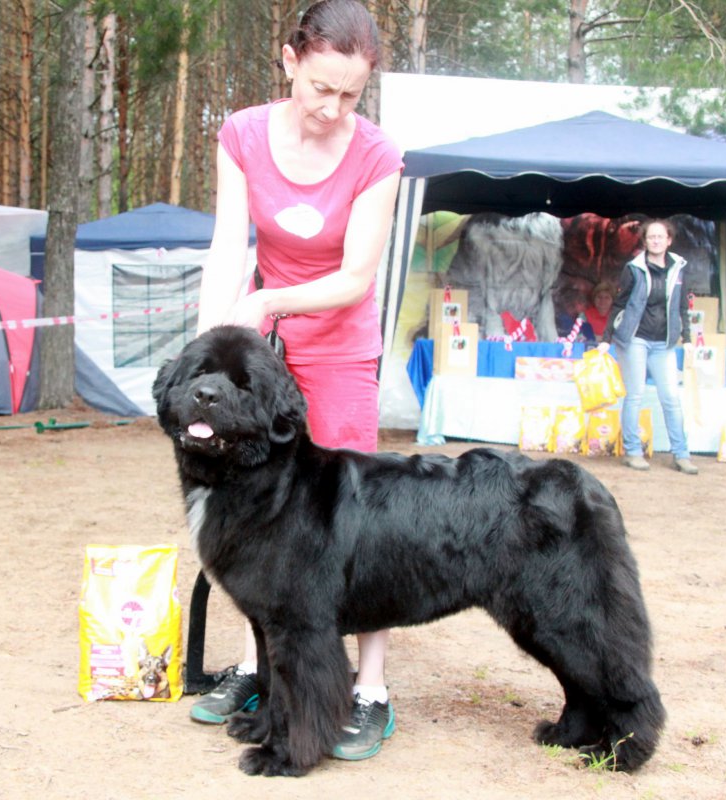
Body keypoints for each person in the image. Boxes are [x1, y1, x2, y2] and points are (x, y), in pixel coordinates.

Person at [188, 0, 404, 762]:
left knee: (354, 519)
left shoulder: (377, 154)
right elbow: (226, 246)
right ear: (289, 61)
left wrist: (271, 299)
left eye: (349, 95)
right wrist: (214, 349)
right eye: (320, 87)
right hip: (263, 351)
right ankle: (260, 670)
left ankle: (370, 687)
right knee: (254, 515)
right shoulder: (243, 133)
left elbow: (355, 277)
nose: (331, 108)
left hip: (340, 346)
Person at [598, 219, 699, 474]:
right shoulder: (633, 268)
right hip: (635, 339)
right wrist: (605, 339)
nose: (655, 241)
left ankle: (682, 454)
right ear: (645, 241)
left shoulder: (678, 269)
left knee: (671, 398)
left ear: (669, 240)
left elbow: (683, 307)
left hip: (663, 342)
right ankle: (633, 452)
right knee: (635, 394)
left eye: (660, 237)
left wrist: (687, 338)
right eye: (651, 237)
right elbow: (619, 304)